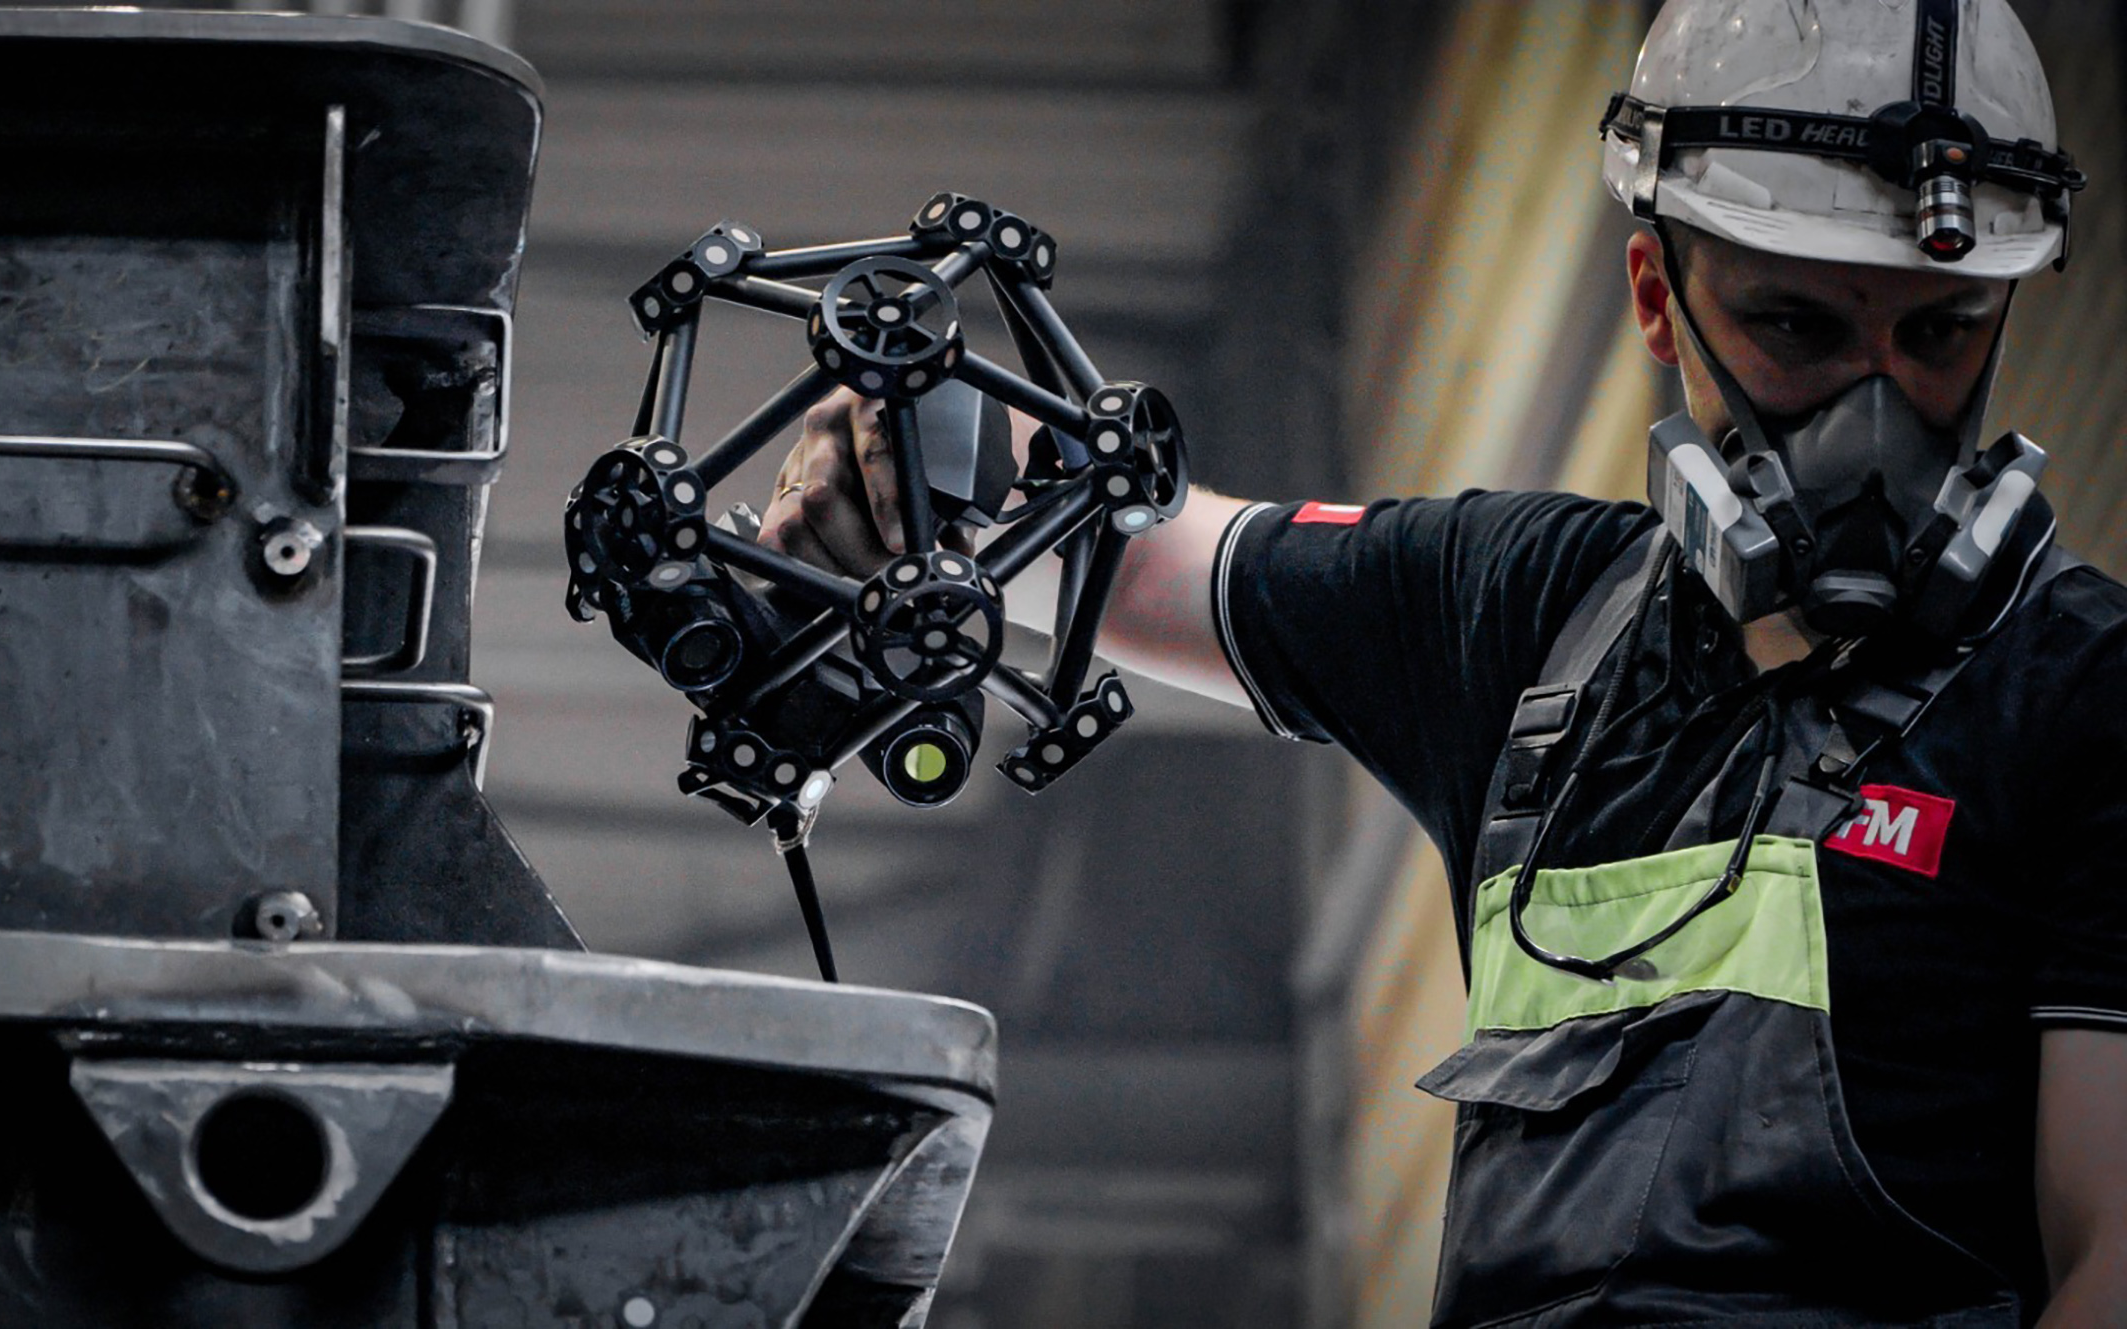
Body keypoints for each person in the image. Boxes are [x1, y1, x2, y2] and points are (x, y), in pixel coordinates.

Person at [760, 0, 2127, 1322]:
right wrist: (918, 451)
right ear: (1655, 296)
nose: (1874, 405)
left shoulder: (2082, 694)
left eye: (1939, 332)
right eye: (1794, 327)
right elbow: (1151, 545)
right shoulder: (1529, 616)